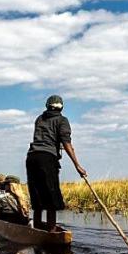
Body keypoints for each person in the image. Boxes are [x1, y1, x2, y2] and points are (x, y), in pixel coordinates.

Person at [25, 95, 86, 232]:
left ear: (47, 106)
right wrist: (77, 165)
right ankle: (51, 232)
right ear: (61, 107)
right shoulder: (62, 120)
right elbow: (66, 143)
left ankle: (37, 228)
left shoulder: (39, 119)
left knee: (38, 195)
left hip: (32, 157)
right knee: (51, 196)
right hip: (47, 159)